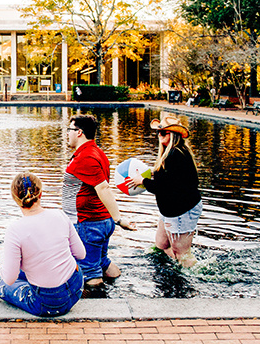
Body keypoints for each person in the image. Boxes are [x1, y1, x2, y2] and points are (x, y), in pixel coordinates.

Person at [0, 172, 86, 317]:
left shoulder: (15, 230)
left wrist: (2, 255)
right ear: (40, 194)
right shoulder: (60, 215)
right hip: (76, 289)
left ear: (15, 199)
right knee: (23, 271)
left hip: (47, 304)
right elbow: (81, 254)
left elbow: (9, 279)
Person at [64, 115, 134, 287]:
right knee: (102, 262)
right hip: (100, 221)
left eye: (69, 130)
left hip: (89, 223)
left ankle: (99, 308)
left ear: (79, 132)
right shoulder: (96, 152)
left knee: (90, 273)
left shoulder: (86, 157)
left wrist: (119, 219)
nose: (67, 134)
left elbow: (103, 188)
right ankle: (118, 288)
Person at [126, 116, 202, 267]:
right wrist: (150, 175)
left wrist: (143, 181)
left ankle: (198, 277)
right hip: (170, 209)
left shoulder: (175, 155)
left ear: (173, 134)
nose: (159, 135)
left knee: (182, 253)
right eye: (158, 132)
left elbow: (163, 188)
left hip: (182, 210)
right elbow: (170, 180)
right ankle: (171, 271)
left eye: (163, 132)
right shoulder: (171, 154)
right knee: (161, 245)